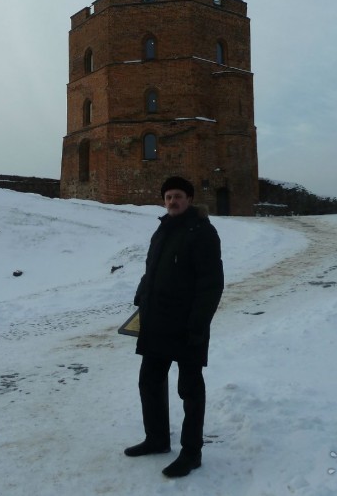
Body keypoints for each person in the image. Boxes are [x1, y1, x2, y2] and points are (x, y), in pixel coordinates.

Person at [125, 176, 224, 478]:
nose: (172, 202)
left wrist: (197, 325)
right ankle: (156, 439)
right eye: (168, 197)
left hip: (186, 327)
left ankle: (191, 452)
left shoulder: (203, 232)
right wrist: (143, 292)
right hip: (156, 321)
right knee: (149, 382)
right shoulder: (162, 229)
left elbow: (211, 285)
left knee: (189, 390)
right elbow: (152, 268)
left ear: (190, 199)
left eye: (178, 196)